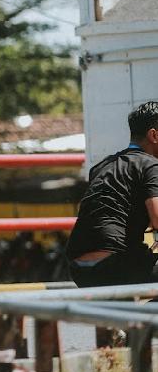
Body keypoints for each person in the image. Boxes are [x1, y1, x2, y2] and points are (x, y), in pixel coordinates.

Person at [66, 101, 158, 288]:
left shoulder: (101, 167)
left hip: (78, 268)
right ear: (154, 135)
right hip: (116, 264)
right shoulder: (150, 165)